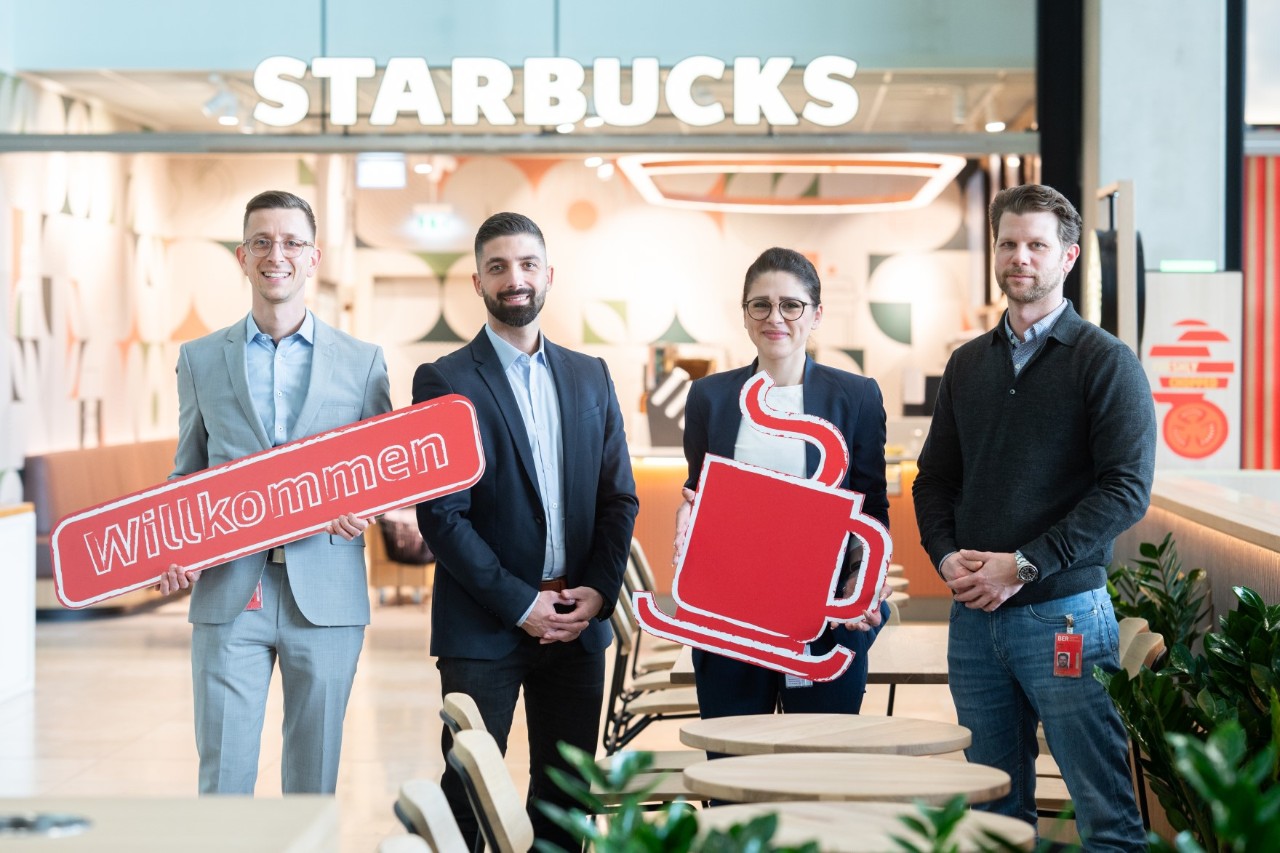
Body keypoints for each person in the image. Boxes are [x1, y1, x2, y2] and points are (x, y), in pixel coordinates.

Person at [913, 183, 1154, 851]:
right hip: (974, 620)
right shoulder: (967, 364)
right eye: (1008, 243)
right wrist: (945, 554)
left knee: (1105, 814)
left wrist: (1022, 565)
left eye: (1036, 245)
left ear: (1069, 255)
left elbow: (1126, 490)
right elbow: (934, 479)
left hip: (1062, 615)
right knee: (993, 813)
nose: (1020, 256)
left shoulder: (1106, 363)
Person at [412, 212, 638, 849]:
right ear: (478, 282)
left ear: (549, 275)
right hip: (484, 625)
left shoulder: (590, 374)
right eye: (498, 267)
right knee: (467, 793)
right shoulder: (446, 380)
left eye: (527, 264)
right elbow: (443, 516)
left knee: (567, 798)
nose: (515, 279)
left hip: (577, 617)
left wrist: (597, 591)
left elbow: (617, 497)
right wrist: (520, 604)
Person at [157, 190, 392, 795]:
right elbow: (187, 474)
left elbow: (384, 471)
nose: (275, 254)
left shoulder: (364, 363)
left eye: (291, 242)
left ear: (313, 257)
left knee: (313, 782)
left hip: (328, 595)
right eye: (262, 241)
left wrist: (365, 507)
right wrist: (169, 546)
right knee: (224, 780)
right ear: (242, 256)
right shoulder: (200, 360)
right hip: (229, 593)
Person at [676, 247, 890, 723]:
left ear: (815, 315)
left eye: (791, 305)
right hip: (730, 618)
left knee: (818, 771)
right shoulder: (710, 396)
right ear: (746, 315)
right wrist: (689, 520)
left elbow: (871, 508)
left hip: (824, 619)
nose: (776, 317)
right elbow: (699, 492)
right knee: (733, 775)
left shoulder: (856, 396)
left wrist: (863, 584)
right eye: (761, 304)